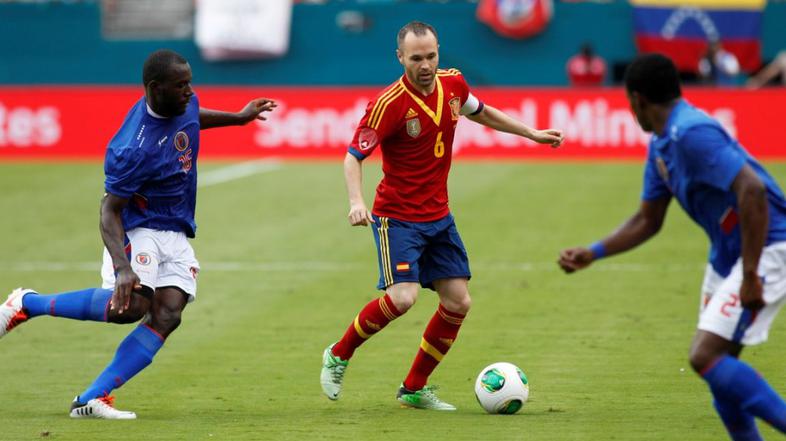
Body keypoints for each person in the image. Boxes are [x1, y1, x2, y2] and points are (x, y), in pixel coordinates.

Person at [0, 49, 276, 419]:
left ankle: (92, 398)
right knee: (129, 309)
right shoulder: (133, 148)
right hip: (139, 227)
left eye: (189, 82)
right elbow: (108, 209)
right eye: (181, 85)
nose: (190, 92)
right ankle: (27, 304)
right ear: (154, 88)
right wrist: (122, 268)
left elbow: (192, 118)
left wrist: (239, 119)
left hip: (175, 228)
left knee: (169, 313)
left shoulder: (181, 104)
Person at [320, 21, 564, 411]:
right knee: (403, 298)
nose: (426, 65)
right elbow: (353, 157)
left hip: (438, 216)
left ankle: (414, 388)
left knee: (458, 302)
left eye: (431, 56)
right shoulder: (389, 104)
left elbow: (482, 113)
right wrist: (355, 202)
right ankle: (339, 353)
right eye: (416, 58)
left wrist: (531, 133)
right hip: (397, 217)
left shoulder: (453, 84)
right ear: (400, 58)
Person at [558, 53, 786, 440]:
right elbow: (648, 220)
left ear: (637, 99)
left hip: (768, 247)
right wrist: (593, 252)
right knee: (720, 375)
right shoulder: (663, 146)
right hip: (728, 256)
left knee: (705, 356)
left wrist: (750, 275)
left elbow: (752, 190)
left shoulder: (691, 132)